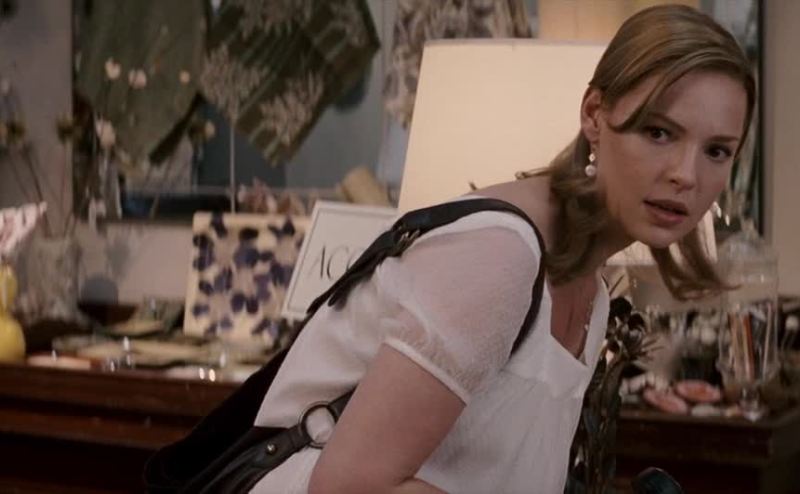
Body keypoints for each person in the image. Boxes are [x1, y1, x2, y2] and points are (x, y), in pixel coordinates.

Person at [250, 5, 755, 493]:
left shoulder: (593, 296)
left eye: (716, 151)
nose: (687, 175)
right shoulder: (499, 256)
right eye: (659, 132)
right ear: (594, 115)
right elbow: (349, 485)